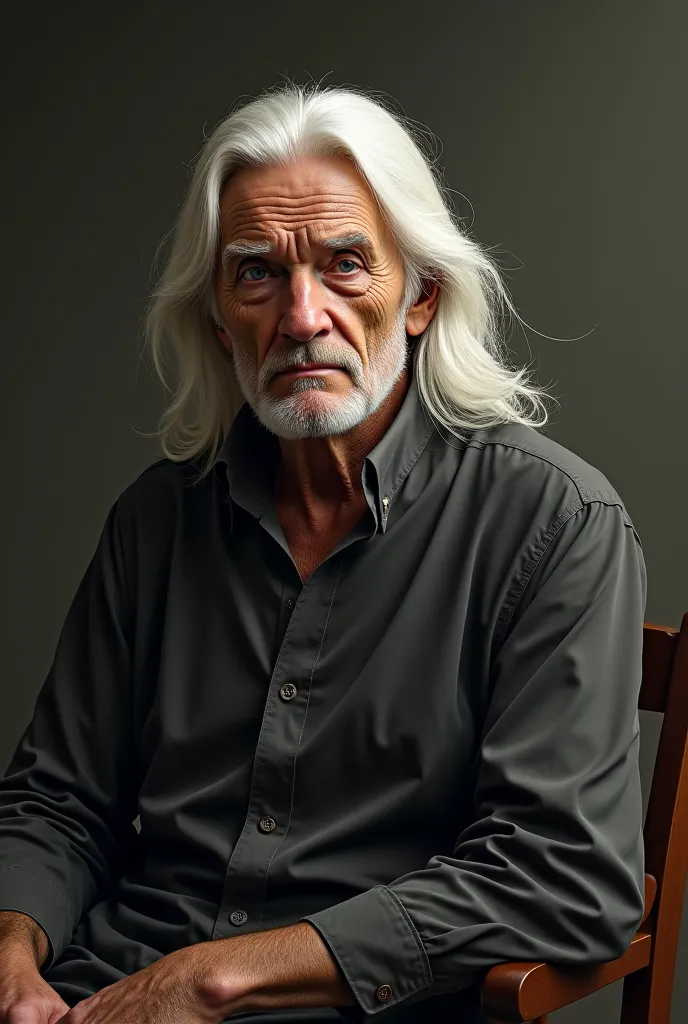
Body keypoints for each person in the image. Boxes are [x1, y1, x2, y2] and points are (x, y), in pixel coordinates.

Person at [0, 83, 647, 1024]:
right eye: (256, 273)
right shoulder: (157, 519)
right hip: (103, 991)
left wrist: (212, 979)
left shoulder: (554, 522)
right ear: (221, 320)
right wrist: (13, 961)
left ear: (420, 295)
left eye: (347, 264)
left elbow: (564, 872)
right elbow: (57, 801)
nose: (302, 317)